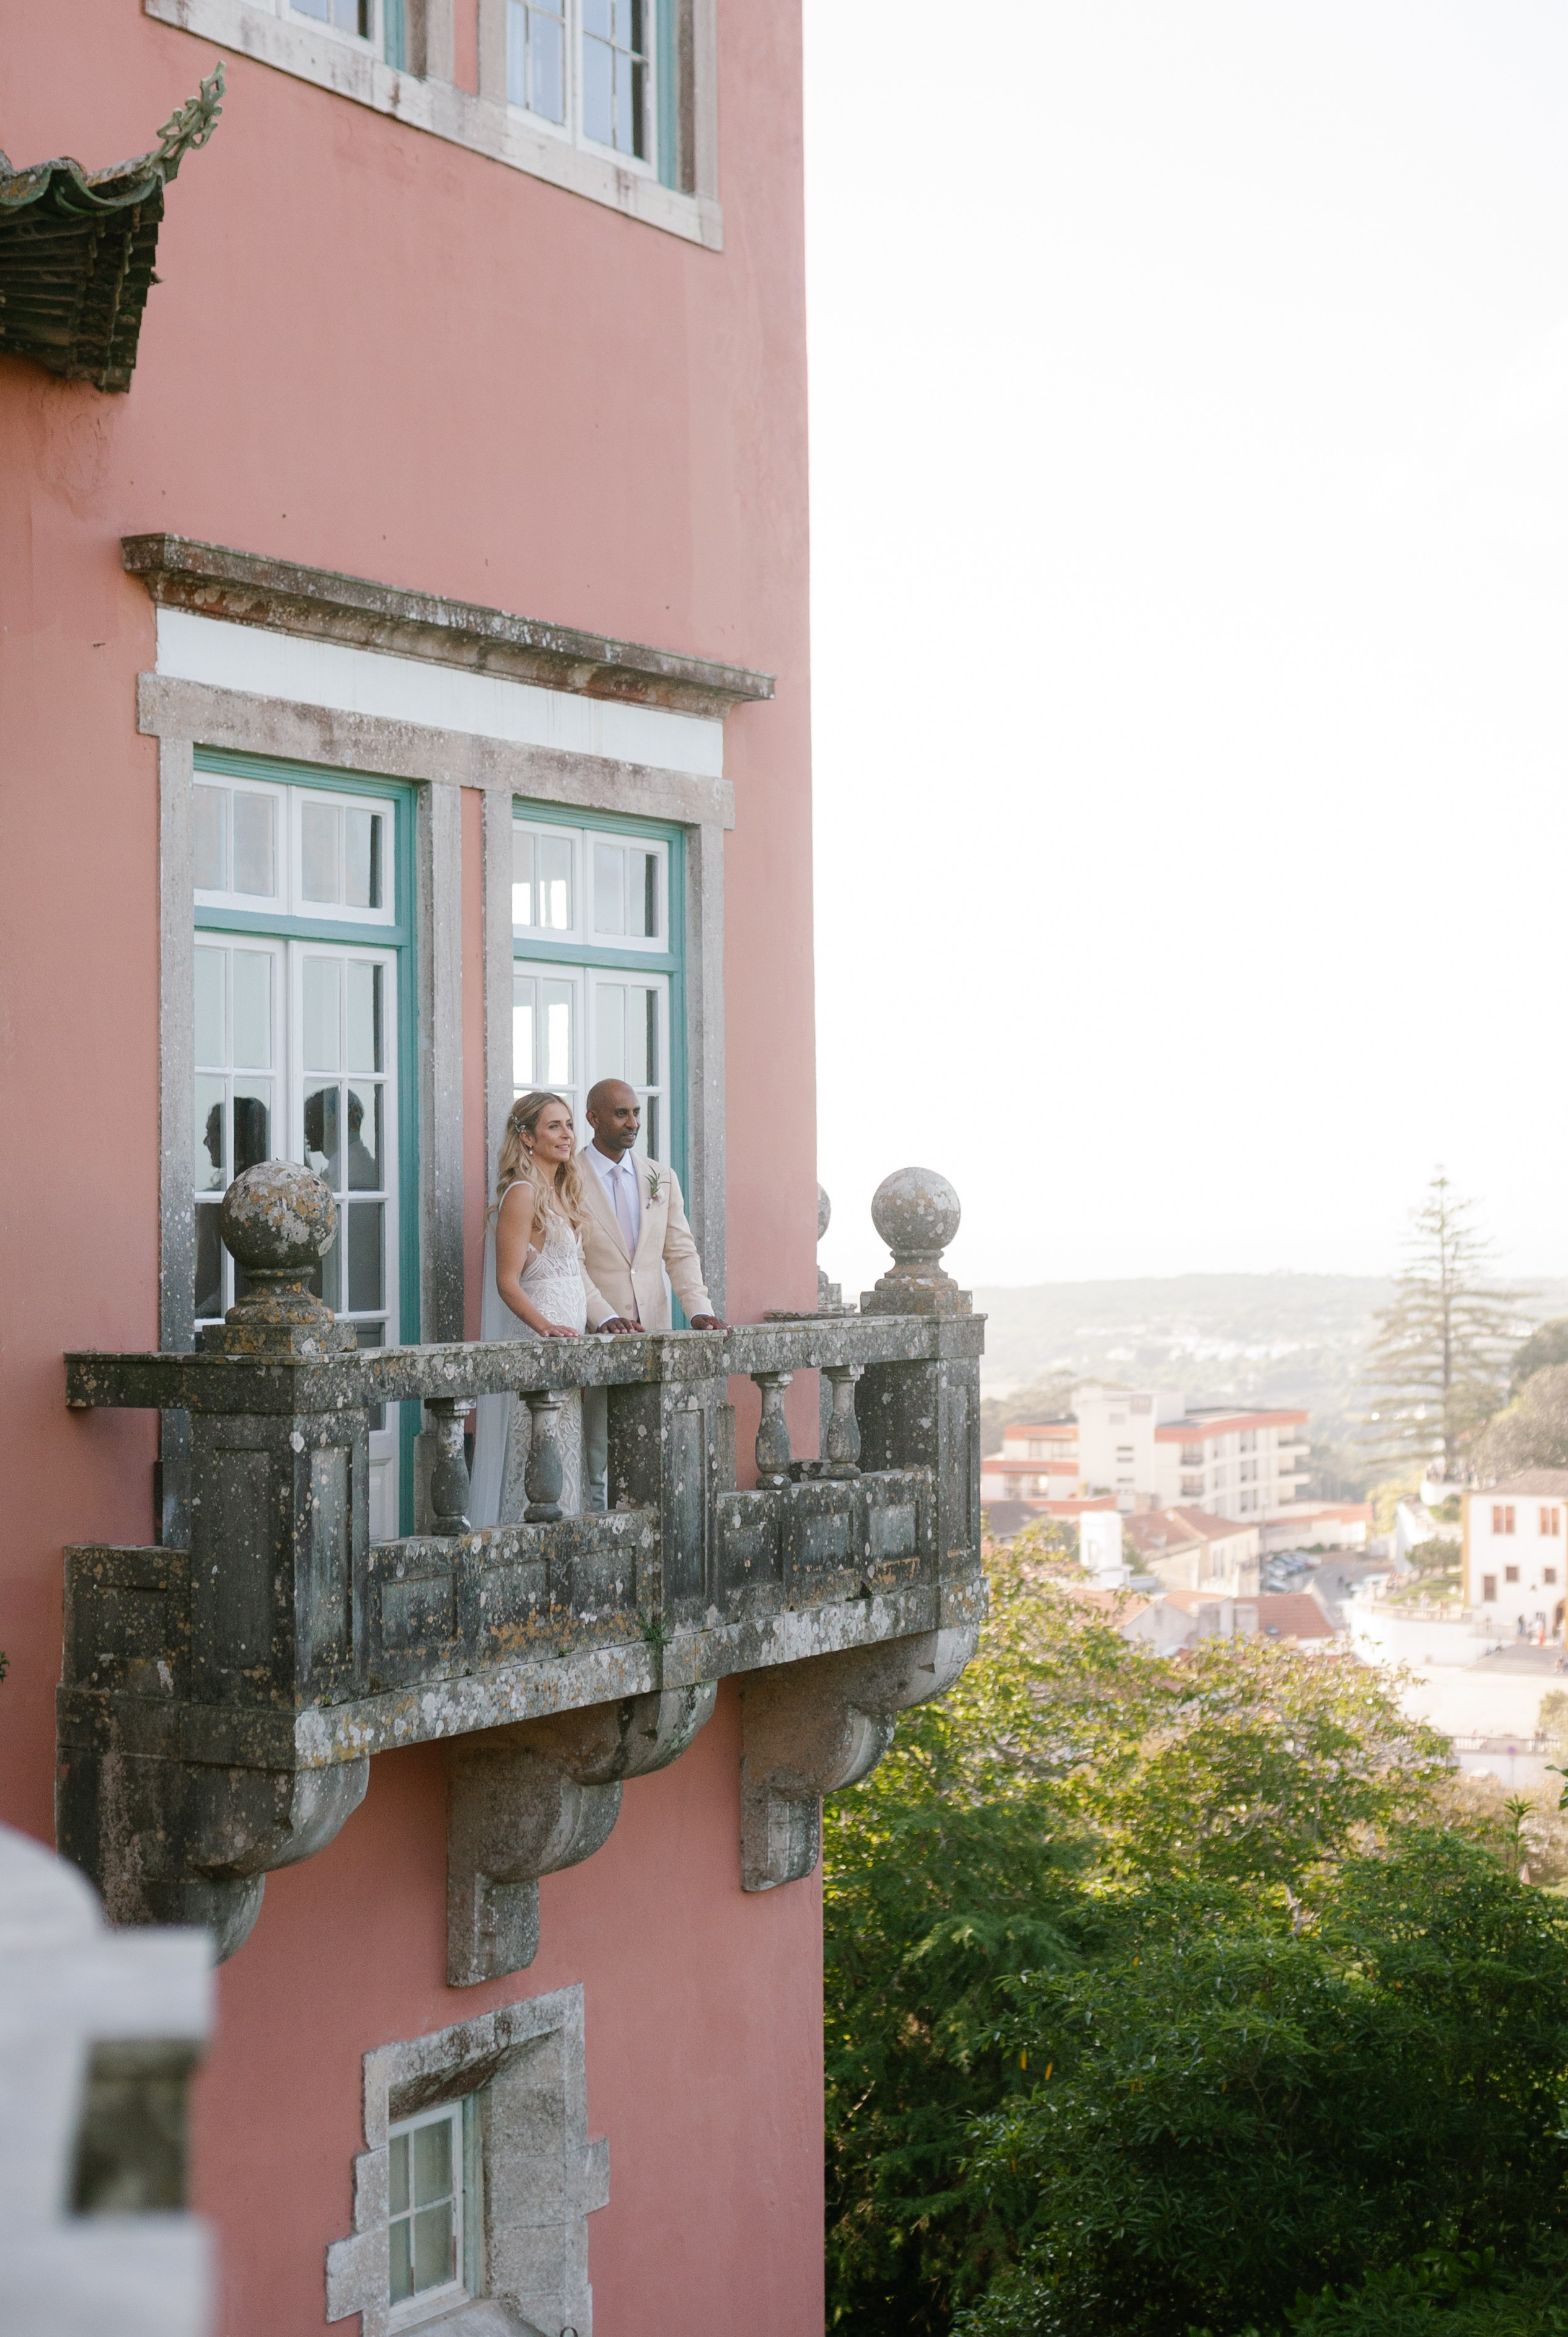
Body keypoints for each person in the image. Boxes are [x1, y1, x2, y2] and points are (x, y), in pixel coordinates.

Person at [576, 1078, 725, 1510]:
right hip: (594, 1333)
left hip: (653, 1333)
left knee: (652, 1454)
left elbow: (679, 1251)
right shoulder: (568, 1175)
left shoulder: (661, 1176)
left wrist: (698, 1309)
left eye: (637, 1112)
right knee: (595, 1455)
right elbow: (573, 1264)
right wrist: (602, 1316)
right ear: (593, 1118)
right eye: (621, 1113)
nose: (633, 1122)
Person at [469, 1090, 605, 1529]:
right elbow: (507, 1281)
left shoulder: (562, 1190)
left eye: (568, 1124)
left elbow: (574, 1275)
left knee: (565, 1460)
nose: (567, 1134)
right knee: (537, 1462)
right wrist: (545, 1327)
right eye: (554, 1126)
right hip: (539, 1341)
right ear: (527, 1137)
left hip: (568, 1343)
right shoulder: (522, 1194)